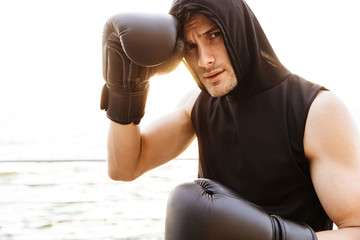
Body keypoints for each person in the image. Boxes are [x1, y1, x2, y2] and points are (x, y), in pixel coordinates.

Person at [100, 0, 360, 239]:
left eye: (214, 35)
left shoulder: (316, 109)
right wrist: (125, 88)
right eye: (191, 46)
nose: (204, 60)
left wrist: (273, 235)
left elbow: (355, 230)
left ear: (239, 31)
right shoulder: (197, 103)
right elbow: (125, 167)